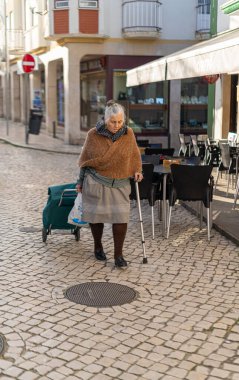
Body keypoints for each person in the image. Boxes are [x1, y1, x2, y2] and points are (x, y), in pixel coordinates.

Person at [76, 100, 143, 267]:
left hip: (120, 184)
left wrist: (137, 170)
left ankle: (118, 255)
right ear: (106, 119)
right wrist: (80, 181)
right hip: (96, 182)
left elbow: (135, 155)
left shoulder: (128, 134)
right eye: (113, 122)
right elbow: (86, 160)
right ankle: (98, 246)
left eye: (120, 121)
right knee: (97, 218)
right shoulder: (93, 134)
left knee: (121, 218)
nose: (117, 125)